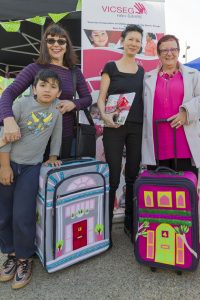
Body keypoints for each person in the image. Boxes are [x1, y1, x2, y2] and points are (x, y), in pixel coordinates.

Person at [0, 69, 62, 289]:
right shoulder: (20, 105)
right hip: (8, 165)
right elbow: (4, 136)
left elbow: (57, 134)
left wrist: (53, 156)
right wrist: (4, 167)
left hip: (31, 169)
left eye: (53, 86)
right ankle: (11, 254)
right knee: (4, 214)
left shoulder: (56, 110)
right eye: (43, 85)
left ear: (59, 92)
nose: (47, 89)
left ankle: (24, 260)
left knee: (23, 215)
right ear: (34, 88)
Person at [0, 23, 92, 159]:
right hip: (33, 136)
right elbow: (8, 93)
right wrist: (8, 119)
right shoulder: (34, 68)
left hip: (62, 137)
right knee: (32, 178)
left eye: (61, 41)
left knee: (57, 178)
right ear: (45, 44)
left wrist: (73, 104)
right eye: (51, 40)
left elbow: (88, 99)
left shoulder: (74, 72)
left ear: (67, 46)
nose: (56, 44)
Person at [97, 25, 144, 242]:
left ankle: (129, 222)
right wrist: (104, 117)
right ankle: (105, 228)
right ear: (123, 41)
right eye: (131, 39)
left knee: (133, 174)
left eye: (138, 40)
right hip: (113, 127)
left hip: (136, 127)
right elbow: (101, 97)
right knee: (113, 175)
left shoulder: (142, 71)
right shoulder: (110, 67)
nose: (134, 43)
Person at [142, 34, 200, 176]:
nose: (169, 53)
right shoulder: (147, 77)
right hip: (156, 144)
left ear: (179, 52)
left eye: (173, 49)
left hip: (184, 145)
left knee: (184, 191)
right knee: (159, 193)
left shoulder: (194, 74)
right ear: (158, 54)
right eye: (164, 50)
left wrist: (187, 112)